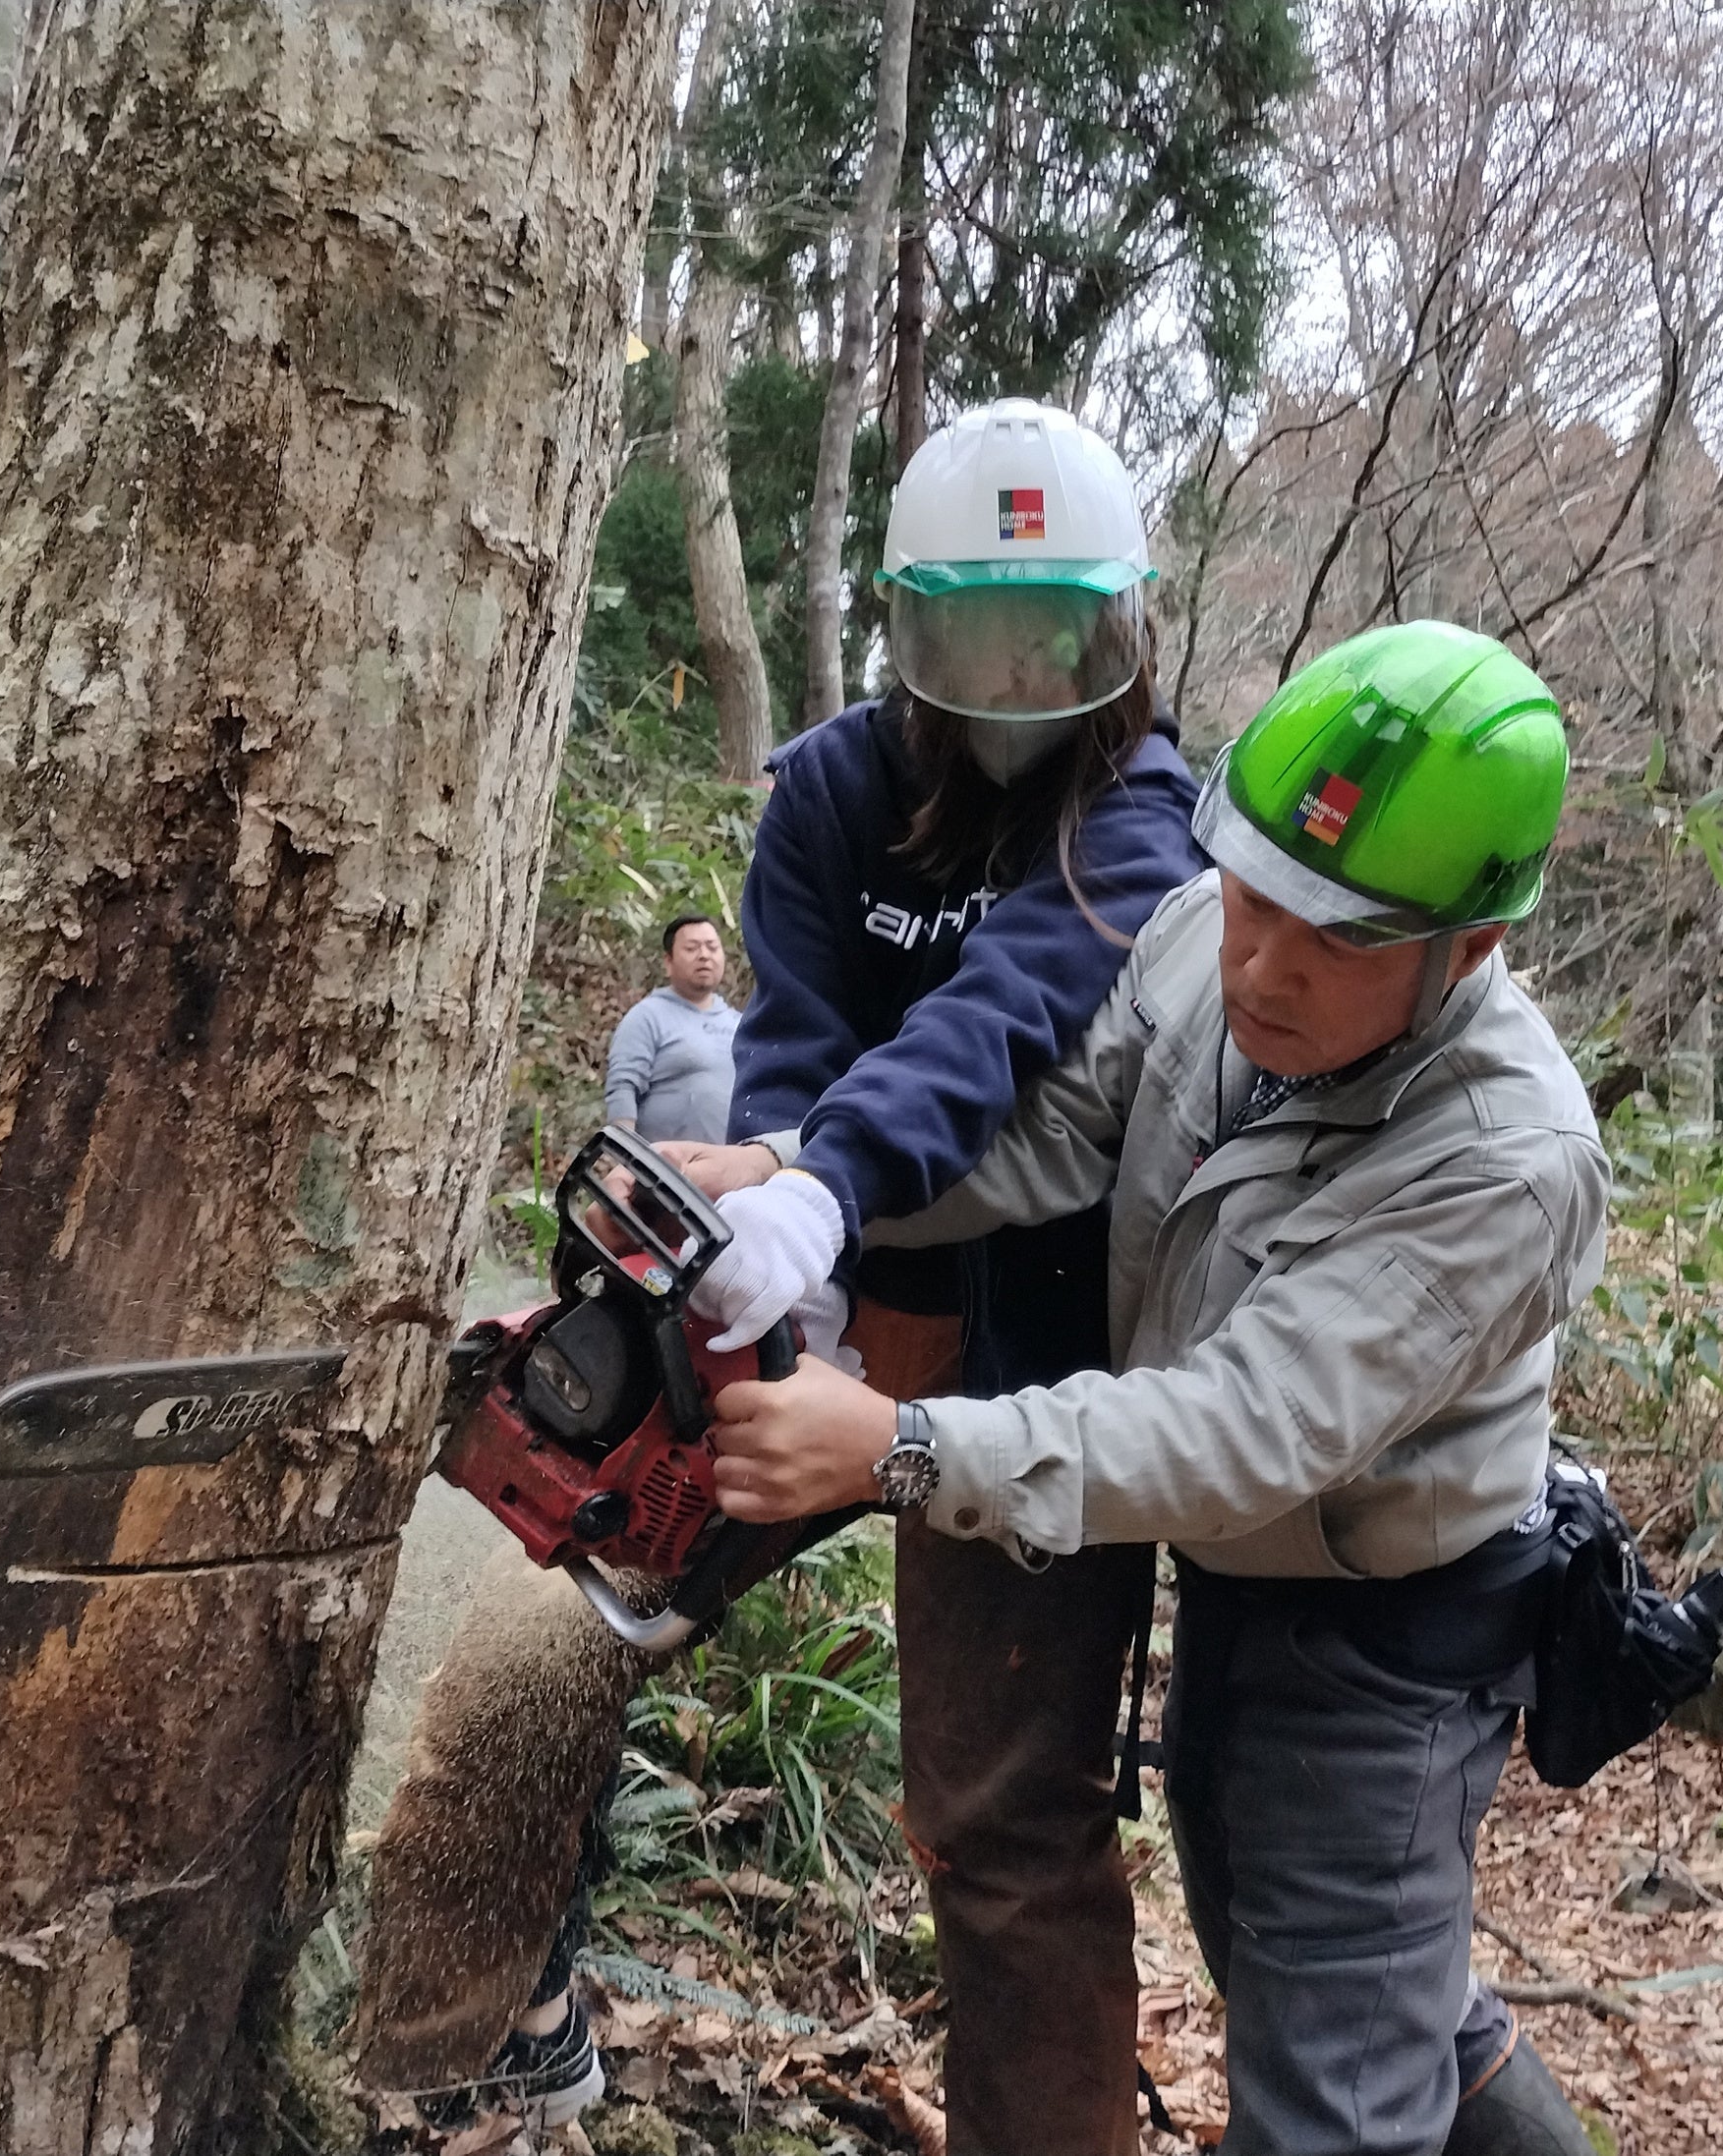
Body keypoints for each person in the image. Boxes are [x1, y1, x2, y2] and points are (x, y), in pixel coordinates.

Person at [360, 397, 1204, 2144]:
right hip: (813, 1300)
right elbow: (800, 1036)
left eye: (1052, 636)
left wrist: (824, 1186)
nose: (1013, 677)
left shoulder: (1141, 811)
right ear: (911, 632)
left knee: (1005, 1822)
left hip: (1032, 1351)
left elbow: (1002, 1015)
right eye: (973, 636)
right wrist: (781, 1244)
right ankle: (469, 2037)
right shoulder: (832, 786)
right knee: (539, 1627)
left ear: (1116, 632)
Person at [708, 621, 1610, 2156]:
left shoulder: (1504, 1162)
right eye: (1254, 891)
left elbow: (1234, 1430)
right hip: (1250, 1586)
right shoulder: (1206, 937)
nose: (1261, 960)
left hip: (1389, 1641)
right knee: (1333, 1976)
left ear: (1467, 947)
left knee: (1333, 2079)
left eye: (1335, 939)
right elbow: (1056, 1134)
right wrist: (800, 1180)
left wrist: (900, 1449)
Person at [602, 914, 742, 1143]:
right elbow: (623, 1087)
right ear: (668, 962)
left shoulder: (740, 1024)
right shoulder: (647, 1017)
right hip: (660, 1162)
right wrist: (623, 1153)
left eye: (712, 947)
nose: (704, 955)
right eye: (692, 948)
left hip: (731, 1162)